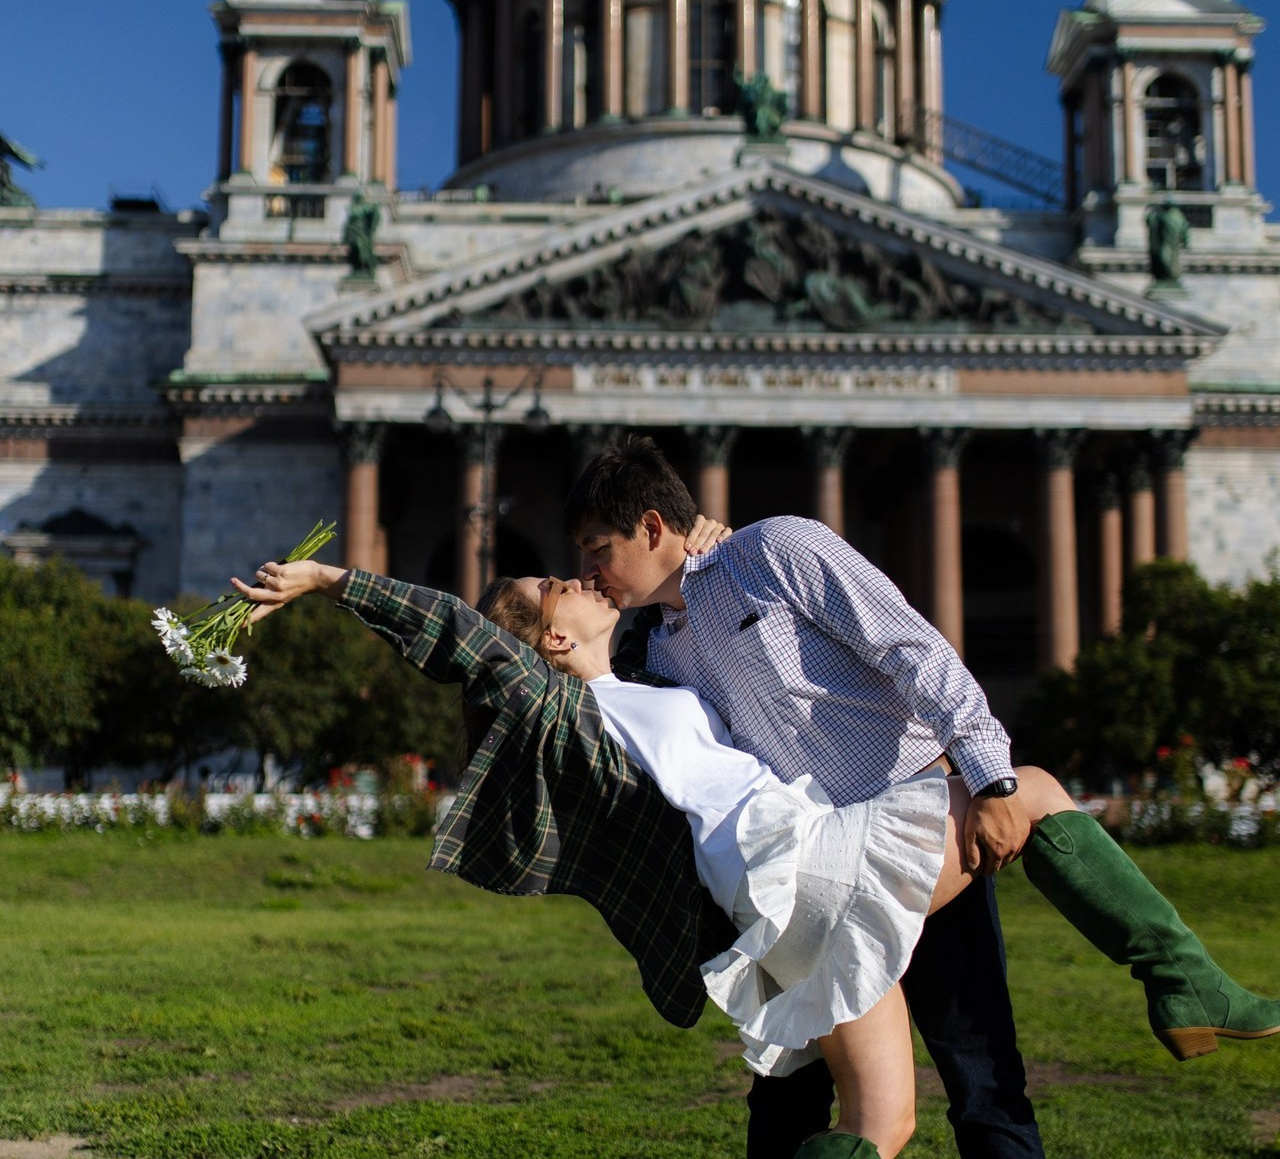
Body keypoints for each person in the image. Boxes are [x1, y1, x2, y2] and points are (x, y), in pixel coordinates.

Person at [235, 558, 1280, 1159]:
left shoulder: (641, 679)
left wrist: (714, 554)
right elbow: (463, 635)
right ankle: (1183, 981)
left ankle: (1185, 986)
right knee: (1031, 791)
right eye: (557, 583)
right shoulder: (565, 707)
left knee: (882, 1122)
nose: (579, 576)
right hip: (799, 862)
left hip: (779, 902)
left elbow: (700, 631)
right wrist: (334, 581)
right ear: (545, 643)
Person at [565, 437, 1039, 1159]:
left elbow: (910, 647)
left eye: (599, 549)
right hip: (810, 883)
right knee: (791, 1101)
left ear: (654, 527)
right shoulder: (649, 656)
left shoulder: (777, 550)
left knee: (980, 1072)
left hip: (916, 830)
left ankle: (1184, 983)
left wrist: (988, 775)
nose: (588, 571)